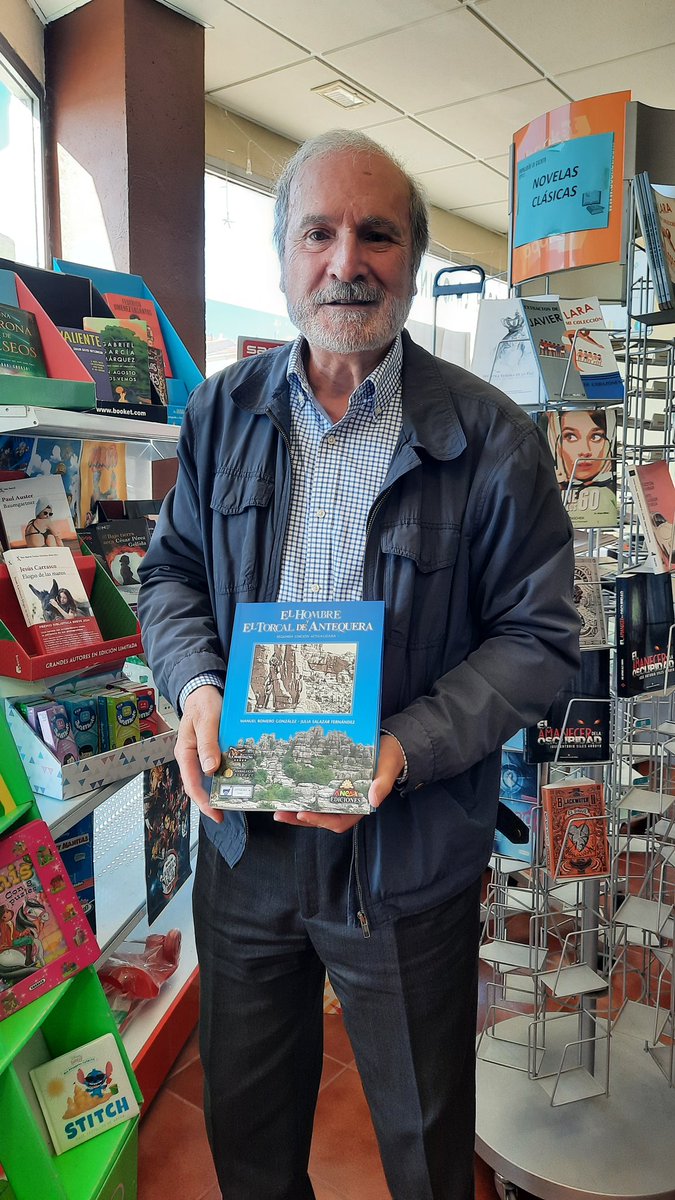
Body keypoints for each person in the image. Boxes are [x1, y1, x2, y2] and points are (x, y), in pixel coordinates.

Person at [138, 129, 580, 1200]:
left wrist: (400, 747)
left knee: (426, 1148)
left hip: (408, 857)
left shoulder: (492, 440)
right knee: (248, 1130)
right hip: (246, 852)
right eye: (319, 233)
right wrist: (198, 686)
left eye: (376, 234)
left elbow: (539, 641)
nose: (347, 261)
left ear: (413, 258)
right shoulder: (219, 417)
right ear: (285, 259)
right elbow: (171, 579)